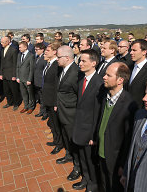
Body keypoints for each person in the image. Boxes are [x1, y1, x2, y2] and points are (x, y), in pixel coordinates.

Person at [96, 62, 137, 192]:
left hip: (114, 159)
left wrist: (122, 164)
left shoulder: (130, 105)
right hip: (101, 151)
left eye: (108, 75)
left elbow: (128, 138)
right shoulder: (105, 96)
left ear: (120, 80)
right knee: (102, 182)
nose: (104, 77)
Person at [72, 49, 103, 191]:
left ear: (94, 63)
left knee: (90, 160)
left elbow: (98, 113)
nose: (80, 63)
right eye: (80, 60)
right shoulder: (81, 79)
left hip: (89, 130)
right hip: (79, 126)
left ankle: (93, 184)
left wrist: (93, 135)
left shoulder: (99, 84)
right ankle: (85, 178)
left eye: (84, 61)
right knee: (82, 157)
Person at [55, 46, 82, 182]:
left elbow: (80, 96)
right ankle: (69, 155)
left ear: (67, 58)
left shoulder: (76, 73)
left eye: (58, 57)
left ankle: (77, 166)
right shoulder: (64, 69)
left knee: (73, 140)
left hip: (71, 114)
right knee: (66, 137)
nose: (56, 58)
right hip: (62, 110)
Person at [42, 42, 63, 155]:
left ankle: (59, 143)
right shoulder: (49, 64)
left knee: (56, 123)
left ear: (55, 52)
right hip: (48, 98)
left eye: (48, 50)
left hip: (53, 99)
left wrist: (55, 102)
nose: (45, 52)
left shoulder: (56, 66)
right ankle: (56, 140)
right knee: (53, 123)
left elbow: (56, 86)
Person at [0, 36, 21, 110]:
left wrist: (14, 75)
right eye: (1, 42)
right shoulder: (2, 50)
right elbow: (2, 63)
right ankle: (9, 102)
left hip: (11, 74)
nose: (1, 43)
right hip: (4, 74)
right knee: (6, 90)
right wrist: (1, 73)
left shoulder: (13, 50)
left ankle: (16, 103)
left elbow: (15, 64)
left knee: (14, 90)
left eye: (3, 42)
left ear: (8, 42)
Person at [16, 41, 35, 113]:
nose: (19, 49)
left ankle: (31, 107)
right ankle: (25, 106)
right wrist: (17, 77)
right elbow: (17, 67)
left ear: (25, 47)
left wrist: (29, 79)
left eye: (20, 47)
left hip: (27, 79)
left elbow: (31, 69)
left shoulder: (31, 55)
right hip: (20, 79)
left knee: (30, 94)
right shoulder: (19, 55)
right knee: (24, 94)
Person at [33, 43, 48, 119]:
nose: (35, 51)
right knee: (41, 99)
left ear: (42, 49)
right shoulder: (37, 57)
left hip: (42, 82)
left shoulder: (44, 58)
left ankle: (45, 113)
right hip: (37, 82)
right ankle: (41, 112)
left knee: (43, 99)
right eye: (35, 49)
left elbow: (45, 71)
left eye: (37, 49)